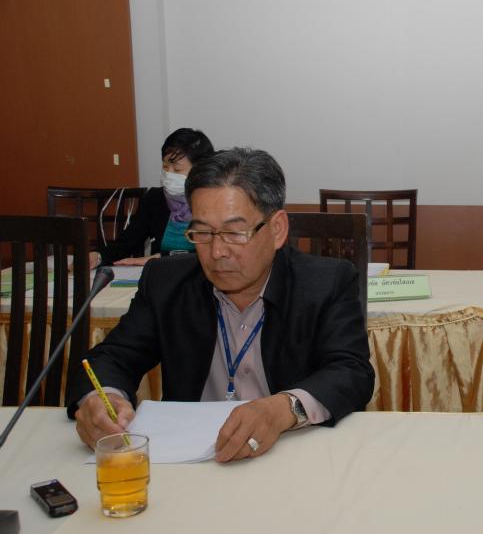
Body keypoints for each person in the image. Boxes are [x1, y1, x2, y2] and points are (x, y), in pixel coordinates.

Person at [69, 147, 375, 462]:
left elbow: (351, 372)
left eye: (234, 233)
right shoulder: (166, 282)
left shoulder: (325, 282)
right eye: (202, 233)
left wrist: (284, 408)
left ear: (277, 229)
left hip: (290, 456)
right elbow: (111, 358)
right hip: (186, 462)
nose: (217, 252)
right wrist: (102, 399)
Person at [89, 128, 214, 268]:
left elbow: (216, 252)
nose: (168, 174)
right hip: (161, 274)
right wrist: (98, 256)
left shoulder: (214, 202)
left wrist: (163, 257)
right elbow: (128, 242)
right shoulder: (155, 198)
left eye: (177, 169)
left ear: (200, 170)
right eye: (165, 166)